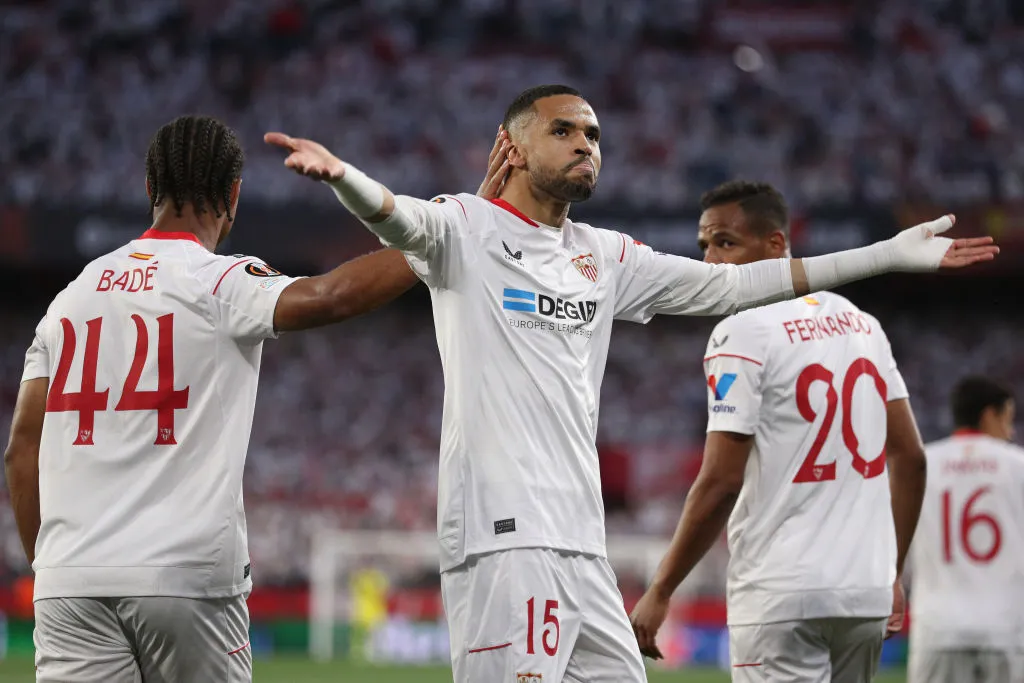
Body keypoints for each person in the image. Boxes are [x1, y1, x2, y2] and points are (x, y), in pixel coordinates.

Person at [266, 84, 996, 683]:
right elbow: (400, 220)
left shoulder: (605, 255)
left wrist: (887, 255)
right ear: (514, 148)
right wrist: (346, 179)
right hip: (503, 536)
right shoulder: (466, 226)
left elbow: (741, 285)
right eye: (564, 131)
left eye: (593, 134)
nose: (586, 144)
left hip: (584, 544)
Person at [2, 115, 420, 683]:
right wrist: (435, 242)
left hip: (70, 580)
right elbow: (331, 294)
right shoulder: (219, 281)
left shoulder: (70, 298)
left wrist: (51, 566)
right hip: (183, 576)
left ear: (150, 189)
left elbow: (20, 451)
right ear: (234, 195)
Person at [628, 180, 932, 682]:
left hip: (781, 592)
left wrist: (661, 589)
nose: (710, 261)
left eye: (725, 242)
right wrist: (891, 571)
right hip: (864, 591)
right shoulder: (860, 322)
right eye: (704, 245)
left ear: (775, 246)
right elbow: (911, 458)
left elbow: (721, 481)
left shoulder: (742, 329)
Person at [906, 376, 1023, 683]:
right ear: (989, 415)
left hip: (937, 629)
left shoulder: (921, 465)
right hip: (1006, 629)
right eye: (1007, 421)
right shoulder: (1018, 465)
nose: (1010, 433)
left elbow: (898, 548)